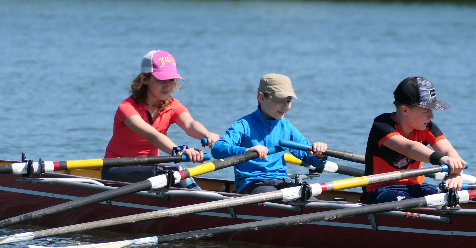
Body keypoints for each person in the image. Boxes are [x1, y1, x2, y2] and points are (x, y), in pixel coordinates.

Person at [102, 50, 218, 183]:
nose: (168, 86)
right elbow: (153, 136)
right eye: (161, 79)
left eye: (171, 80)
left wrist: (207, 135)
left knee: (177, 175)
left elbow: (190, 124)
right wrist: (179, 151)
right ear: (145, 79)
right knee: (177, 172)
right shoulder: (127, 107)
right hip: (117, 169)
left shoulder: (173, 106)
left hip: (149, 169)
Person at [210, 74, 327, 194]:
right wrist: (246, 151)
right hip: (252, 182)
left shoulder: (287, 127)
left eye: (288, 101)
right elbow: (217, 149)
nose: (285, 106)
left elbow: (312, 161)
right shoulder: (243, 125)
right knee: (278, 198)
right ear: (261, 98)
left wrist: (320, 156)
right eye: (279, 100)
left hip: (282, 180)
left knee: (304, 196)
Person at [361, 76, 467, 204]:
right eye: (426, 111)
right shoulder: (382, 125)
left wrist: (455, 174)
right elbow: (409, 147)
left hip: (416, 188)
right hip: (381, 190)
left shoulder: (427, 127)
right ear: (405, 110)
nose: (432, 116)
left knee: (448, 201)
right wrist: (442, 159)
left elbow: (449, 150)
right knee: (411, 204)